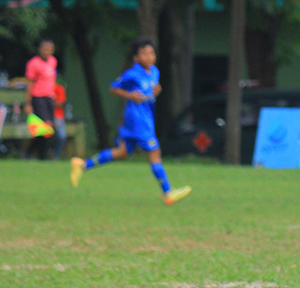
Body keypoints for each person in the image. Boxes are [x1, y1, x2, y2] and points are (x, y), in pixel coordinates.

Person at [70, 38, 191, 206]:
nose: (149, 57)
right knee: (155, 152)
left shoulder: (155, 71)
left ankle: (82, 165)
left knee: (122, 152)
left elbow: (147, 92)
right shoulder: (132, 74)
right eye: (144, 54)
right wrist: (130, 96)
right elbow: (113, 87)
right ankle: (168, 193)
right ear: (136, 58)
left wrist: (155, 92)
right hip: (137, 119)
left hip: (145, 117)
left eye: (151, 53)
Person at [23, 38, 57, 160]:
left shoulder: (53, 61)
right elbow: (30, 84)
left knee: (48, 128)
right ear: (40, 50)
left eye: (49, 49)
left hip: (48, 98)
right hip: (38, 98)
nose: (47, 51)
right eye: (44, 49)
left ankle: (28, 153)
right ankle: (42, 157)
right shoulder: (33, 63)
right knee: (45, 126)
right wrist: (28, 102)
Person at [52, 79, 68, 160]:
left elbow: (60, 103)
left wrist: (45, 103)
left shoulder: (59, 88)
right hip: (43, 116)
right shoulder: (43, 88)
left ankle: (55, 156)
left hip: (57, 116)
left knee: (62, 136)